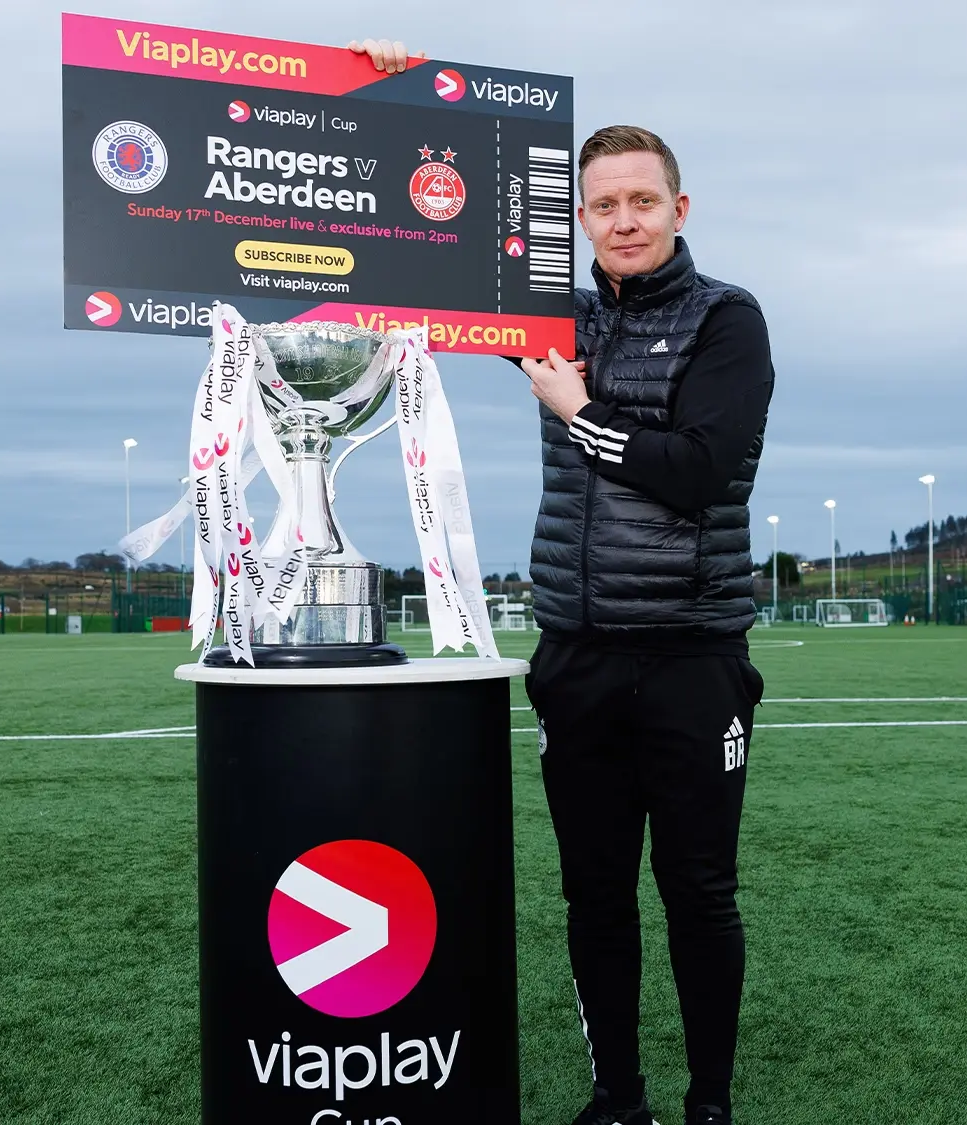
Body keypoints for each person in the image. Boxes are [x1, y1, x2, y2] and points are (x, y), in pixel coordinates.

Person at [355, 43, 776, 1125]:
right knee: (593, 895)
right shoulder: (552, 319)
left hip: (691, 659)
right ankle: (617, 1099)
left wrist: (576, 414)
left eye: (642, 200)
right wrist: (395, 91)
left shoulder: (729, 319)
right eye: (602, 206)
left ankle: (709, 1105)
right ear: (578, 220)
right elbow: (427, 247)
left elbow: (691, 475)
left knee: (697, 896)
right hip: (577, 658)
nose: (623, 220)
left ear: (679, 206)